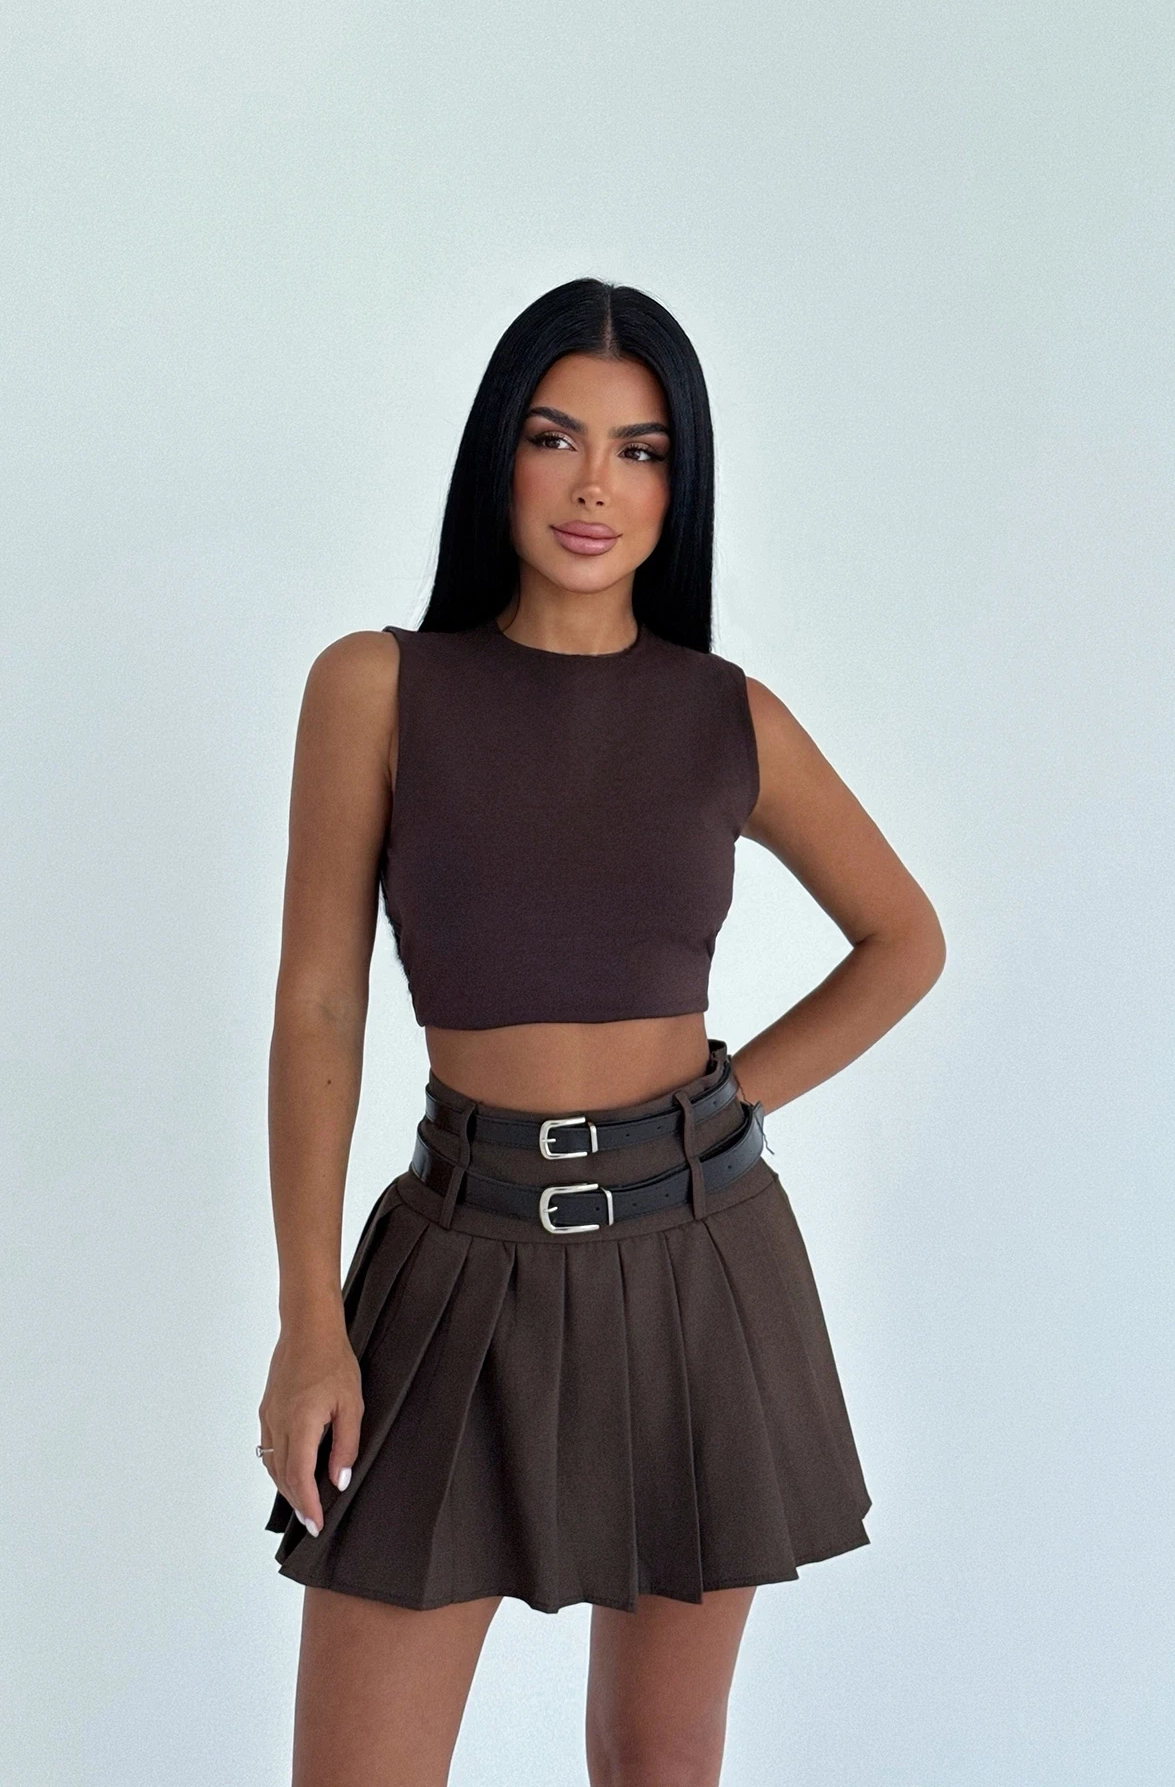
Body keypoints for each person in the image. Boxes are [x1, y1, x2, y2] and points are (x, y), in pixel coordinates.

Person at [257, 276, 945, 1787]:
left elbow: (905, 940)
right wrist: (310, 1319)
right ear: (497, 452)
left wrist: (724, 1104)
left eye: (641, 452)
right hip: (457, 1260)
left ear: (678, 485)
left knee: (657, 1762)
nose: (593, 487)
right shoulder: (377, 687)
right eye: (555, 436)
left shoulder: (726, 714)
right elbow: (319, 999)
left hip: (701, 1266)